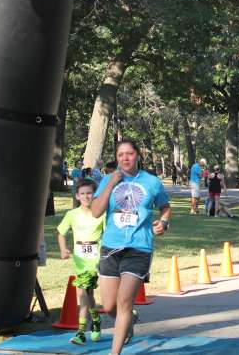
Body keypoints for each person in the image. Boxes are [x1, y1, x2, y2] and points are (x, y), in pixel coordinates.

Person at [91, 138, 171, 355]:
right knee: (109, 306)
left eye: (129, 154)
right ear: (116, 158)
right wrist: (111, 183)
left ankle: (114, 352)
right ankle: (128, 320)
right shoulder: (108, 179)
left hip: (139, 247)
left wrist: (163, 223)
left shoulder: (152, 182)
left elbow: (165, 207)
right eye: (120, 155)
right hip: (111, 247)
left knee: (124, 301)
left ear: (138, 156)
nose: (125, 158)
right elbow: (96, 211)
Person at [57, 179, 105, 345]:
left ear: (95, 195)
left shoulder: (101, 214)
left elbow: (109, 235)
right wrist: (63, 249)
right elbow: (61, 232)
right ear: (77, 196)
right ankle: (96, 319)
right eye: (82, 193)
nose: (86, 196)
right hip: (79, 261)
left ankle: (81, 332)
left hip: (95, 260)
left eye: (89, 193)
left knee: (82, 293)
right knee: (87, 294)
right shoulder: (72, 215)